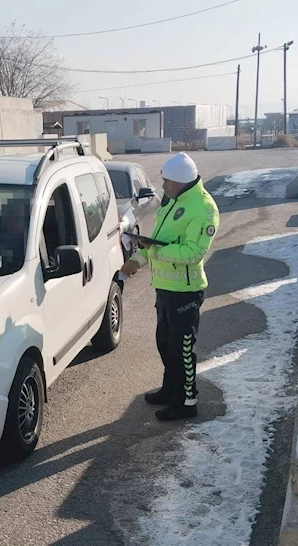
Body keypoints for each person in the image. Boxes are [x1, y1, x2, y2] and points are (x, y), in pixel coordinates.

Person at [119, 152, 220, 421]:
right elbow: (158, 242)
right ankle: (170, 389)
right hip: (165, 288)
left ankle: (187, 402)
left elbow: (193, 252)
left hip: (185, 291)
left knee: (182, 349)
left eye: (166, 182)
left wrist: (153, 251)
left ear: (180, 181)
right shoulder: (172, 201)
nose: (163, 187)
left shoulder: (203, 209)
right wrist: (137, 261)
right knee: (165, 342)